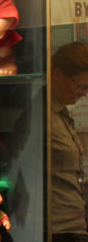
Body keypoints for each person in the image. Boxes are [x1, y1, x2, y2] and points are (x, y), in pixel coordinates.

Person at [51, 41, 88, 241]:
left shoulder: (62, 114)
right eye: (79, 85)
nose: (83, 93)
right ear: (57, 74)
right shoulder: (43, 115)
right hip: (58, 229)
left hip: (73, 224)